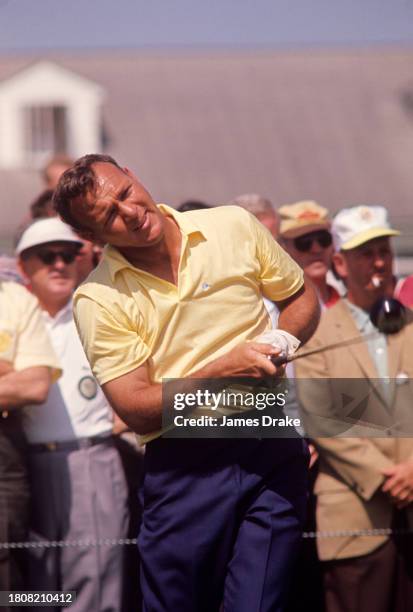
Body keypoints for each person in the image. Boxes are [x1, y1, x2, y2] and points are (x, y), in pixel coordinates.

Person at [53, 153, 320, 612]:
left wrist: (281, 338)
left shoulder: (233, 225)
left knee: (259, 604)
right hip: (185, 464)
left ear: (134, 175)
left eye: (125, 192)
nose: (132, 212)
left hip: (271, 443)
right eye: (110, 215)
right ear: (90, 237)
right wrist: (222, 369)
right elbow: (135, 406)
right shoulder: (96, 298)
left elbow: (300, 296)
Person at [295, 205, 413, 612]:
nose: (378, 262)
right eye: (366, 252)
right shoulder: (316, 335)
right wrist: (387, 477)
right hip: (354, 520)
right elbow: (320, 417)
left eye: (383, 249)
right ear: (340, 263)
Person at [16, 217, 129, 612]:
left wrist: (109, 428)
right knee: (37, 580)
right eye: (47, 256)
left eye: (69, 254)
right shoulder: (12, 318)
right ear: (22, 266)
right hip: (25, 465)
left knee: (94, 575)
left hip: (89, 458)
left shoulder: (97, 313)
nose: (60, 264)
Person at [0, 280, 60, 608]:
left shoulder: (15, 298)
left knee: (6, 570)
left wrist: (17, 379)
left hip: (4, 449)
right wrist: (7, 373)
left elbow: (35, 385)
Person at [278, 201, 340, 308]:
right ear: (284, 250)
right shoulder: (276, 311)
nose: (316, 249)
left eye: (323, 239)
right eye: (304, 243)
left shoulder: (351, 302)